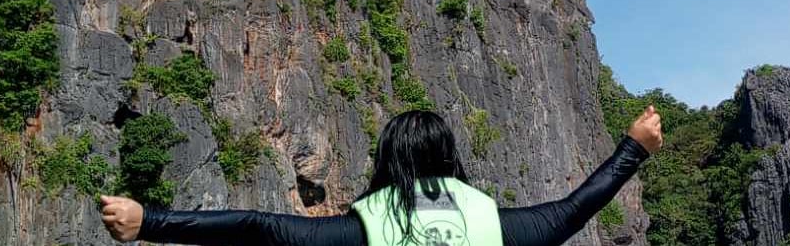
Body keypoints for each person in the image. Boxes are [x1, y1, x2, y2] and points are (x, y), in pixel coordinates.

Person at [99, 105, 663, 246]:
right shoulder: (494, 227)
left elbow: (258, 227)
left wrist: (150, 220)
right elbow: (573, 209)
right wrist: (633, 149)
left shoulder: (367, 228)